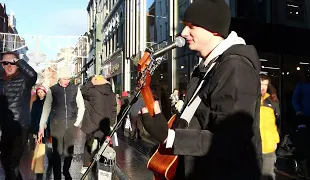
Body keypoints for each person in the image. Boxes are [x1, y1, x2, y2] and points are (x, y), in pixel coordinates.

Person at [139, 0, 262, 179]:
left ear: (214, 29)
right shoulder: (208, 66)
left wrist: (170, 137)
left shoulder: (236, 68)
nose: (183, 33)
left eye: (192, 26)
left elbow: (230, 141)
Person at [38, 66, 85, 180]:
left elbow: (81, 106)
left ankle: (66, 170)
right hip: (56, 123)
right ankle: (57, 175)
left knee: (69, 151)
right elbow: (46, 108)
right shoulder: (52, 90)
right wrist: (41, 125)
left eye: (68, 79)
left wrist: (77, 122)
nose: (66, 81)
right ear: (59, 78)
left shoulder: (75, 89)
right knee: (57, 151)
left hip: (71, 123)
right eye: (64, 79)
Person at [0, 51, 37, 179]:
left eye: (13, 62)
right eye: (5, 63)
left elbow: (33, 75)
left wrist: (19, 61)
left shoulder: (24, 80)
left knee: (12, 162)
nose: (9, 65)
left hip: (20, 126)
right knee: (5, 161)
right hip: (5, 127)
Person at [80, 75, 117, 176]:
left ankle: (85, 166)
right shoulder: (112, 94)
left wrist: (91, 82)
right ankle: (102, 167)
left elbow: (81, 91)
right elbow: (114, 109)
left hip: (93, 123)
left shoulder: (93, 91)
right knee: (104, 146)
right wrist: (112, 124)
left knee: (89, 144)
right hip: (106, 124)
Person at [259, 74, 280, 180]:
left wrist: (275, 140)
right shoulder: (250, 100)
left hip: (268, 145)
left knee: (268, 174)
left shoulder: (272, 101)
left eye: (265, 85)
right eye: (261, 84)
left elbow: (275, 123)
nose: (263, 87)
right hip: (254, 145)